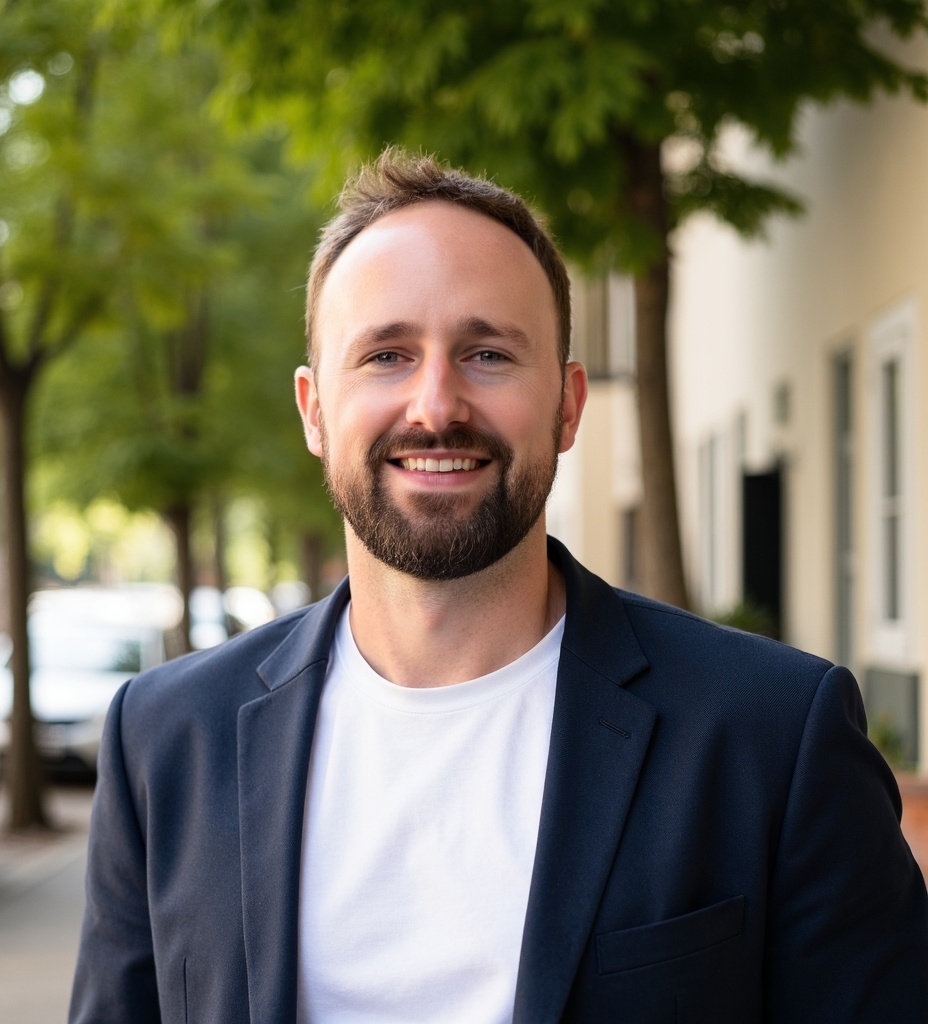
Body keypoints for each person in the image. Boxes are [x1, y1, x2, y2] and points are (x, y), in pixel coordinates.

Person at [69, 149, 928, 1024]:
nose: (436, 405)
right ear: (313, 410)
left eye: (486, 352)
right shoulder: (167, 743)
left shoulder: (773, 735)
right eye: (386, 355)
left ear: (567, 405)